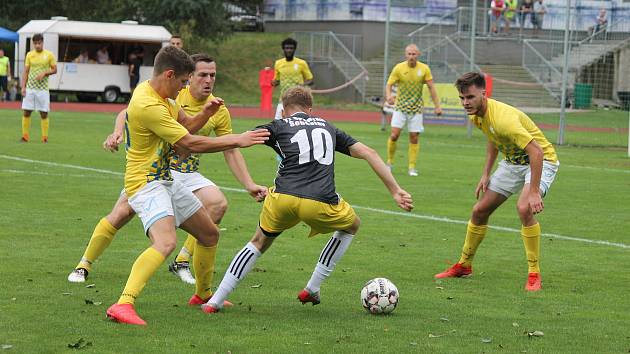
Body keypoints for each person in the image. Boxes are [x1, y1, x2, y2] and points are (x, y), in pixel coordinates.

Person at [200, 86, 414, 314]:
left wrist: (195, 144)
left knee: (258, 241)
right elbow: (369, 152)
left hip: (282, 198)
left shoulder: (278, 125)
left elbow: (236, 142)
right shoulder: (327, 126)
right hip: (320, 201)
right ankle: (312, 287)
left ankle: (215, 301)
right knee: (352, 226)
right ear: (310, 110)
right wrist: (395, 190)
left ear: (283, 110)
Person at [67, 53, 267, 287]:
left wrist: (249, 184)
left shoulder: (216, 107)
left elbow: (221, 147)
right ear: (188, 78)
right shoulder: (169, 92)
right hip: (152, 171)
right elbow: (132, 113)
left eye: (212, 75)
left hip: (183, 173)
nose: (208, 80)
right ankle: (85, 264)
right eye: (202, 75)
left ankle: (184, 264)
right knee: (123, 215)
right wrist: (118, 132)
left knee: (217, 205)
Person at [104, 45, 270, 325]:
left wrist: (205, 113)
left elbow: (188, 127)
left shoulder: (166, 98)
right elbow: (189, 143)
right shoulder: (149, 104)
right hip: (145, 183)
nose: (185, 86)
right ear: (169, 75)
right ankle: (123, 304)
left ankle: (203, 294)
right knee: (166, 241)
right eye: (183, 81)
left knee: (209, 234)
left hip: (165, 179)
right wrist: (237, 139)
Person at [434, 72, 559, 292]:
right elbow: (493, 139)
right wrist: (485, 174)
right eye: (462, 98)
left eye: (470, 97)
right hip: (512, 163)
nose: (466, 103)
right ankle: (464, 265)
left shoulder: (504, 119)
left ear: (484, 93)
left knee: (523, 208)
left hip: (541, 161)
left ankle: (534, 273)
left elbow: (536, 152)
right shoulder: (476, 114)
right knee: (479, 210)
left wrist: (534, 192)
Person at [385, 44, 442, 177]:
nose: (411, 56)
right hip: (400, 107)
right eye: (409, 54)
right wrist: (388, 96)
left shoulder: (424, 69)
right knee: (394, 135)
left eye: (414, 54)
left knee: (414, 137)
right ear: (406, 55)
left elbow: (431, 88)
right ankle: (389, 163)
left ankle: (412, 167)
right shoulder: (399, 68)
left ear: (418, 55)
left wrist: (437, 106)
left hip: (416, 109)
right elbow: (389, 84)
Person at [21, 33, 57, 143]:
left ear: (42, 42)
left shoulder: (49, 55)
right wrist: (23, 87)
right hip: (30, 88)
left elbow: (55, 70)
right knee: (27, 112)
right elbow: (26, 72)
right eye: (35, 43)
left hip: (43, 89)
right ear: (33, 44)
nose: (37, 45)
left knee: (44, 113)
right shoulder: (29, 55)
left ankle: (44, 138)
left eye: (39, 43)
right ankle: (25, 136)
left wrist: (45, 73)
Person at [271, 37, 313, 120]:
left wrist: (302, 86)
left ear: (294, 49)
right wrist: (272, 82)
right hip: (283, 99)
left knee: (300, 124)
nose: (289, 50)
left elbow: (310, 79)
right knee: (277, 124)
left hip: (298, 100)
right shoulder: (278, 63)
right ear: (283, 49)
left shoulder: (301, 63)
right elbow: (276, 81)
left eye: (291, 48)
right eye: (287, 48)